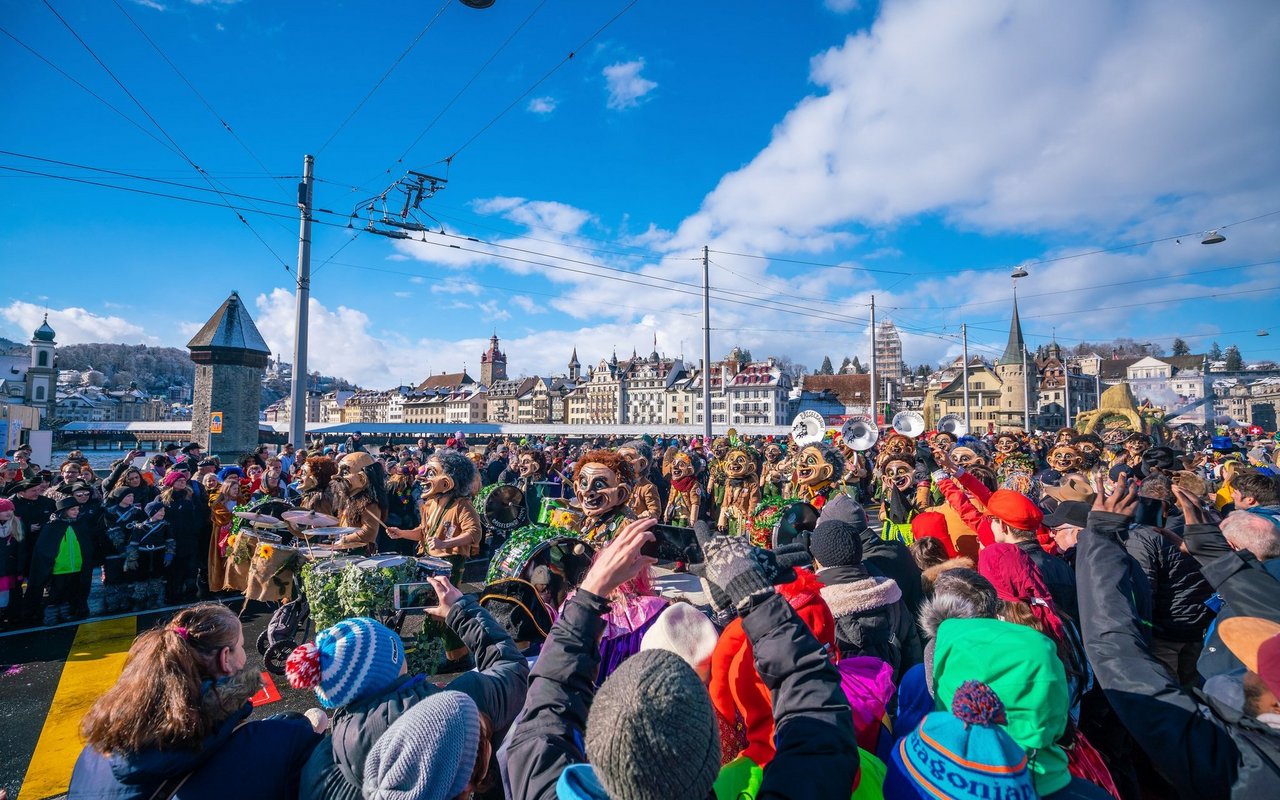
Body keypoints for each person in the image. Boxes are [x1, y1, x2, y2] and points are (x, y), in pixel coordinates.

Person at [504, 517, 860, 800]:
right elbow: (816, 717)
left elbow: (547, 701)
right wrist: (754, 596)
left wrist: (592, 589)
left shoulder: (538, 783)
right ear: (712, 759)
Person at [292, 574, 528, 800]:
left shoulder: (324, 756)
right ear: (391, 666)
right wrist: (459, 610)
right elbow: (512, 668)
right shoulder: (451, 710)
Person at [68, 603, 321, 798]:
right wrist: (299, 729)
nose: (246, 655)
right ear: (225, 657)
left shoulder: (94, 751)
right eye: (242, 645)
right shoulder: (283, 740)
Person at [809, 518, 921, 681]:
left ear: (818, 559)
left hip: (843, 701)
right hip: (891, 694)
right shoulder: (890, 595)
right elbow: (912, 653)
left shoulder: (816, 606)